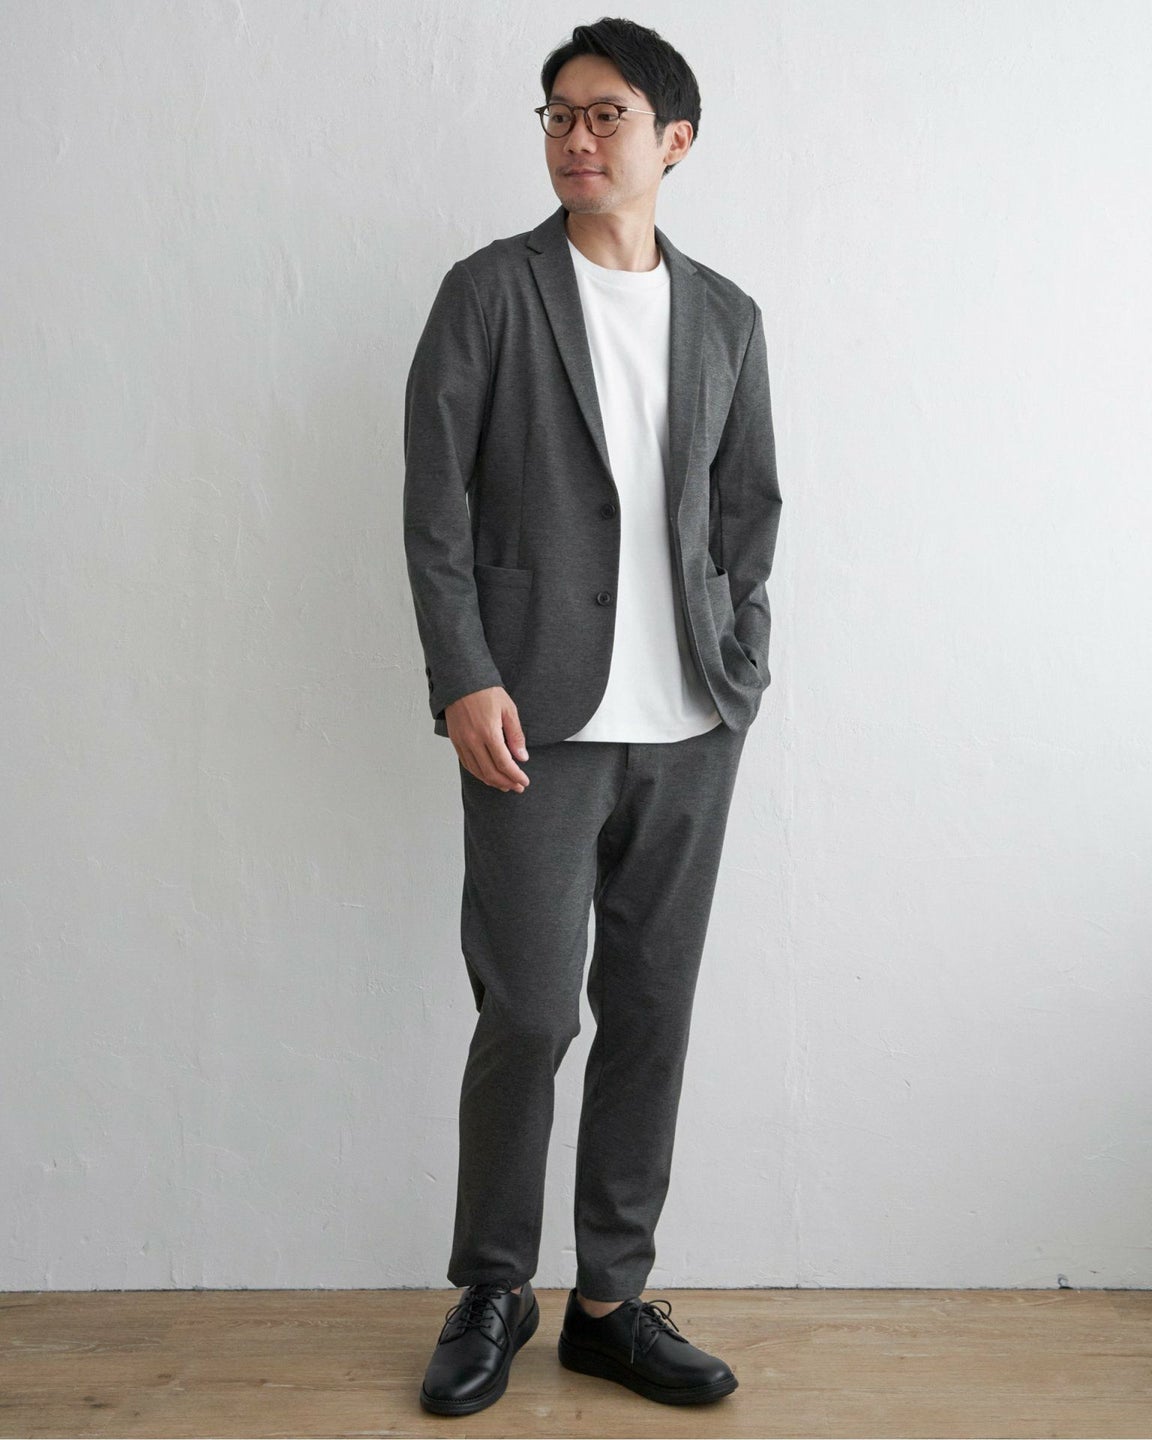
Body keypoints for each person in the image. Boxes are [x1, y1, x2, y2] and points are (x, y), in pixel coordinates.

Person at [404, 16, 782, 1416]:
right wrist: (463, 675)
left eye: (605, 114)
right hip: (532, 725)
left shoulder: (727, 316)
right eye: (558, 114)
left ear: (673, 140)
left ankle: (610, 1303)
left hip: (691, 728)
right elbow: (433, 510)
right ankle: (494, 1287)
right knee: (526, 1011)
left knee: (651, 1013)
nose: (575, 137)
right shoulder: (489, 294)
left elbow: (750, 509)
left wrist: (740, 662)